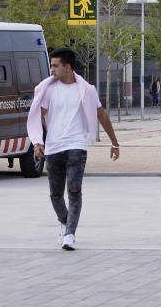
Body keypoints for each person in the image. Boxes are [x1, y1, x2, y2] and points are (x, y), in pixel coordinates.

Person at [27, 47, 120, 251]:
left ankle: (70, 234)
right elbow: (37, 115)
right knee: (55, 195)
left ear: (67, 67)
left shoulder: (86, 90)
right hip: (53, 147)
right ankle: (65, 220)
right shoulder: (48, 89)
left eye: (55, 66)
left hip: (76, 146)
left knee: (74, 191)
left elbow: (101, 114)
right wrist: (37, 141)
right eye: (51, 65)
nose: (52, 70)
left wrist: (114, 142)